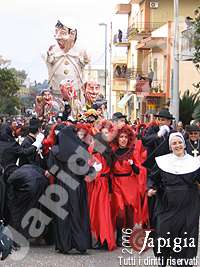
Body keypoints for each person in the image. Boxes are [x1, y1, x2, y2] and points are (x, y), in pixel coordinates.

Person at [147, 132, 200, 266]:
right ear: (170, 147)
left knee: (187, 235)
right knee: (163, 235)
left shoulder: (194, 162)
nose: (178, 145)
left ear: (184, 144)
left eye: (180, 142)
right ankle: (164, 260)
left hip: (189, 204)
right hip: (166, 203)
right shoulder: (162, 162)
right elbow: (152, 178)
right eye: (174, 143)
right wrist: (151, 188)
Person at [47, 125, 96, 254]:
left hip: (61, 185)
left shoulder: (55, 150)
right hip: (77, 185)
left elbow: (52, 168)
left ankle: (64, 244)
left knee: (62, 215)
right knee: (78, 213)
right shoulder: (79, 150)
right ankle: (81, 243)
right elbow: (85, 169)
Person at [111, 125, 141, 246]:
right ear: (117, 139)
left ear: (129, 139)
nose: (123, 139)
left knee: (129, 212)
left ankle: (127, 236)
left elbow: (138, 171)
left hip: (130, 184)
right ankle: (119, 236)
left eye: (125, 137)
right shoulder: (113, 153)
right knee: (120, 212)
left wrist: (133, 164)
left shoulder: (132, 152)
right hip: (117, 184)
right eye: (121, 137)